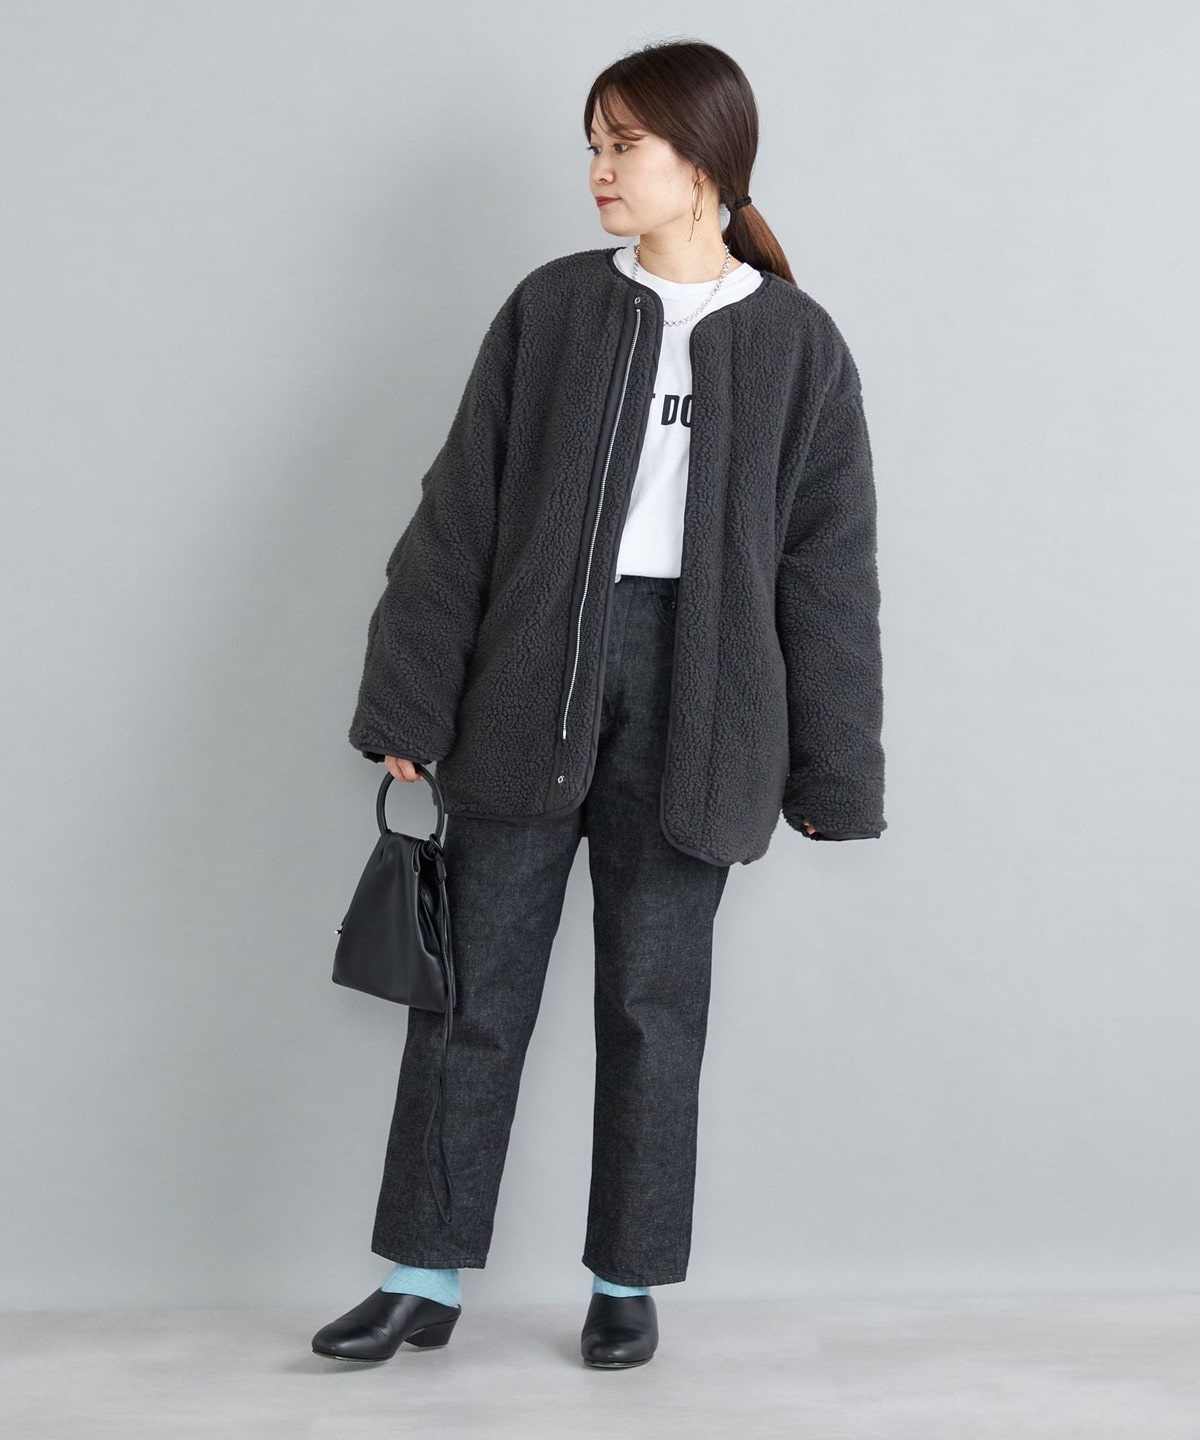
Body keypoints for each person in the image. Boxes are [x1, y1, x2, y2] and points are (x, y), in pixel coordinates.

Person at [312, 38, 886, 1372]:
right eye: (594, 144)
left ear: (707, 160)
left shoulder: (798, 344)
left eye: (625, 144)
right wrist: (410, 699)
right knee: (472, 993)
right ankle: (420, 1276)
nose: (599, 170)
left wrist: (834, 771)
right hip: (530, 686)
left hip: (709, 705)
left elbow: (828, 571)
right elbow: (459, 514)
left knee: (652, 1007)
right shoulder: (555, 309)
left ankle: (627, 1281)